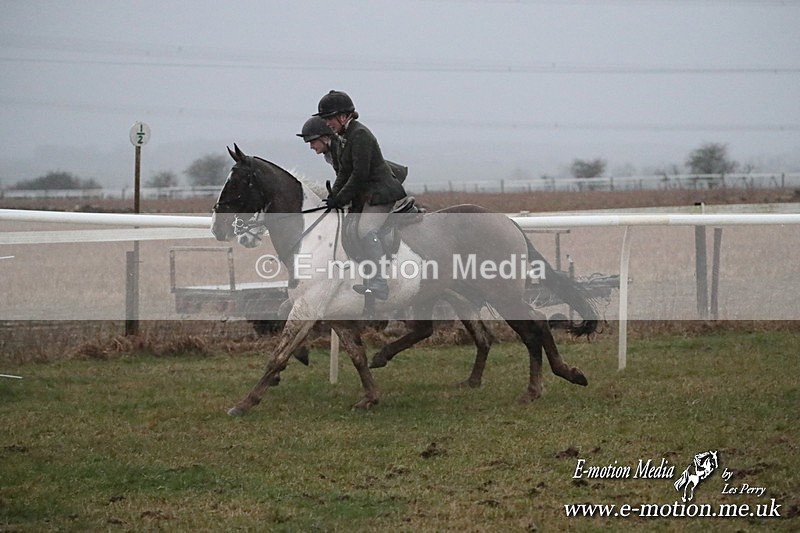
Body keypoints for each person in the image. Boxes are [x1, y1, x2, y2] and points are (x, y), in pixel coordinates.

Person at [308, 90, 407, 300]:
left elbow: (359, 174)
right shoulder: (344, 136)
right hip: (366, 193)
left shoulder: (360, 135)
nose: (326, 124)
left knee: (365, 229)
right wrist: (333, 196)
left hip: (381, 193)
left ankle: (380, 283)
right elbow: (344, 171)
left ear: (343, 116)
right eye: (324, 119)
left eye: (328, 119)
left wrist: (342, 198)